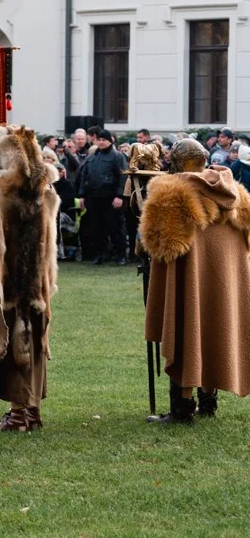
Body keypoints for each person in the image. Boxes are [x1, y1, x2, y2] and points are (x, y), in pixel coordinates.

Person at [140, 139, 250, 423]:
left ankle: (183, 408)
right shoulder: (234, 195)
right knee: (214, 329)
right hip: (222, 284)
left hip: (189, 282)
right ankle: (208, 402)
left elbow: (157, 245)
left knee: (186, 327)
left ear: (176, 163)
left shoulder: (172, 196)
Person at [0, 127, 60, 432]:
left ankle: (19, 413)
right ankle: (31, 410)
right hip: (38, 284)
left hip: (11, 282)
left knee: (16, 343)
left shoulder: (3, 193)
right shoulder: (45, 191)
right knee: (33, 344)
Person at [76, 130, 128, 265]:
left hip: (111, 197)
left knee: (115, 227)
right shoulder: (92, 157)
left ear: (110, 141)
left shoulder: (118, 156)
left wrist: (119, 196)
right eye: (99, 140)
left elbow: (123, 176)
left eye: (103, 140)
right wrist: (81, 195)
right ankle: (100, 254)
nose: (101, 142)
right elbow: (84, 177)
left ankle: (121, 255)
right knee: (96, 228)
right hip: (93, 197)